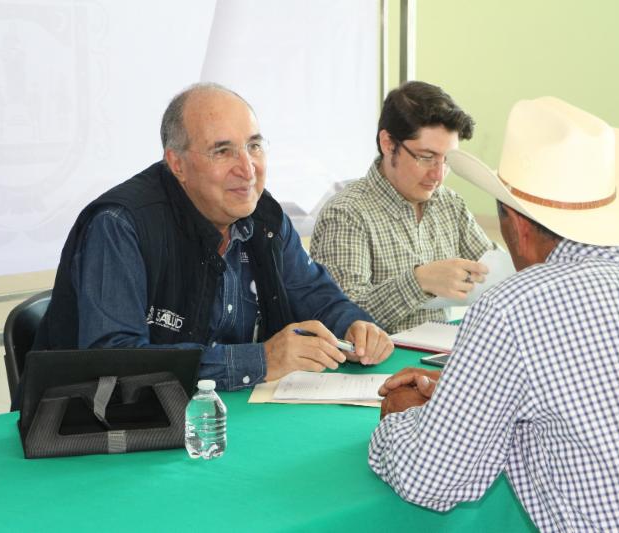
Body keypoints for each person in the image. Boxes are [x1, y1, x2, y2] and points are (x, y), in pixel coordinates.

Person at [369, 97, 619, 531]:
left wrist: (404, 417)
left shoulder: (513, 308)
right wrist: (464, 397)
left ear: (517, 225)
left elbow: (434, 480)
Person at [31, 82, 393, 396]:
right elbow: (115, 362)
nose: (247, 169)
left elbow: (316, 296)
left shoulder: (265, 218)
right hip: (101, 431)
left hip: (228, 417)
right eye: (223, 151)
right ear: (177, 164)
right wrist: (261, 360)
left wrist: (352, 326)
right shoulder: (120, 225)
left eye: (254, 146)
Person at [310, 81, 494, 334]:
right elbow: (340, 320)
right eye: (426, 157)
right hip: (377, 359)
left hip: (442, 352)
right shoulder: (346, 213)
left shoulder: (450, 204)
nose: (438, 175)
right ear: (388, 143)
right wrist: (420, 282)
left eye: (447, 161)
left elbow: (494, 273)